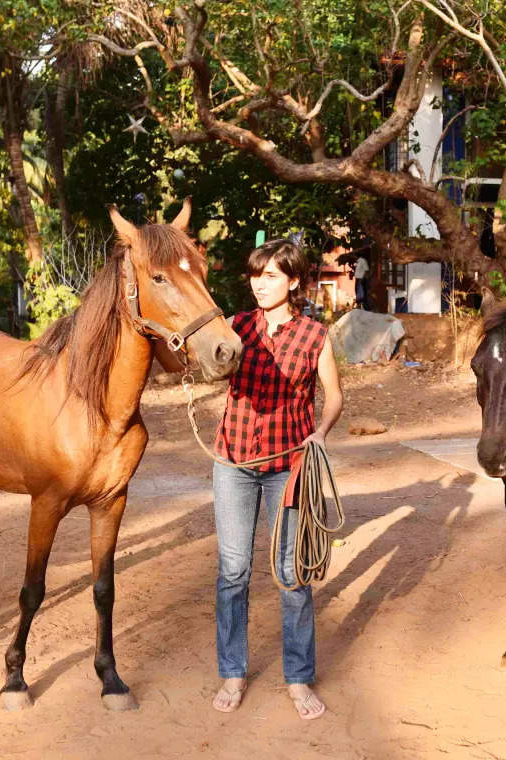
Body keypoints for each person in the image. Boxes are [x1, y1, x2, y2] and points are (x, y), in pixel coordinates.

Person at [211, 238, 344, 720]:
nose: (259, 284)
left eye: (270, 276)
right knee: (233, 572)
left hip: (288, 466)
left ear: (293, 281)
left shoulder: (315, 335)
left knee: (291, 575)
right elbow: (209, 367)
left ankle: (299, 677)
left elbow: (333, 397)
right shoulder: (235, 326)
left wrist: (321, 433)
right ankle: (232, 671)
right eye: (255, 275)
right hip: (232, 463)